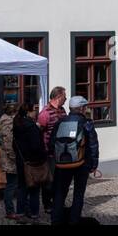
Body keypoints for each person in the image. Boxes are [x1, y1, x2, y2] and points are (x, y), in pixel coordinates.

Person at [50, 95, 100, 225]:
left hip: (62, 164)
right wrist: (94, 164)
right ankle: (73, 220)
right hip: (81, 163)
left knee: (60, 193)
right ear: (82, 109)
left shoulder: (60, 122)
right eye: (85, 107)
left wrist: (57, 159)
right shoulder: (86, 123)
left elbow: (52, 143)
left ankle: (56, 220)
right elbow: (93, 145)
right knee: (78, 193)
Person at [12, 104, 46, 223]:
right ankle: (34, 213)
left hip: (21, 161)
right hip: (33, 161)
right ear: (28, 112)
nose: (36, 112)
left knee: (22, 187)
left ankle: (20, 212)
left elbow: (14, 145)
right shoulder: (32, 127)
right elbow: (36, 146)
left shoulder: (17, 124)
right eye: (34, 110)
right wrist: (42, 157)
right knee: (34, 189)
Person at [37, 86, 67, 212]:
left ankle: (58, 202)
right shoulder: (45, 113)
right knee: (49, 180)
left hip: (63, 152)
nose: (66, 99)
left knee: (61, 180)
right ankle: (47, 204)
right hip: (49, 153)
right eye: (64, 96)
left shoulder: (62, 110)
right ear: (58, 96)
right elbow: (39, 133)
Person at [0, 102, 19, 220]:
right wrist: (15, 157)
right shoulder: (8, 122)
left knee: (13, 184)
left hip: (10, 157)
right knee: (11, 185)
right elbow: (8, 143)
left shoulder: (8, 120)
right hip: (10, 159)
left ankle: (13, 210)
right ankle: (10, 211)